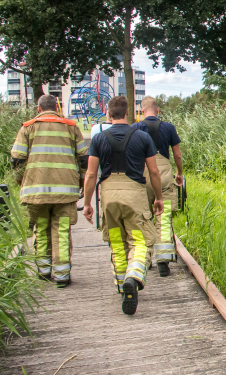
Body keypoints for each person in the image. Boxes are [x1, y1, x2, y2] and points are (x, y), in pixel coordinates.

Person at [82, 96, 164, 315]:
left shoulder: (98, 138)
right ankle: (133, 277)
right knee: (139, 241)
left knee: (117, 241)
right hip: (134, 194)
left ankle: (122, 286)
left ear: (108, 114)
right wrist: (158, 198)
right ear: (128, 112)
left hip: (108, 194)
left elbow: (91, 174)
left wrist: (87, 203)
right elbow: (154, 171)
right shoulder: (142, 137)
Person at [10, 95, 88, 288]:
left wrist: (23, 182)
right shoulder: (71, 126)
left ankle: (43, 271)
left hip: (36, 191)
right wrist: (82, 182)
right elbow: (84, 159)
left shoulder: (28, 127)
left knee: (41, 229)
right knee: (62, 231)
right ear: (57, 107)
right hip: (65, 192)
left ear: (39, 108)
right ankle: (62, 275)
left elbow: (17, 160)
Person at [133, 96, 183, 277]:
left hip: (143, 174)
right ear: (158, 110)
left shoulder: (135, 128)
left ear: (141, 110)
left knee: (143, 219)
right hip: (163, 175)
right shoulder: (168, 127)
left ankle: (143, 260)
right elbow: (177, 154)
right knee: (163, 217)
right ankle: (163, 262)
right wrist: (179, 173)